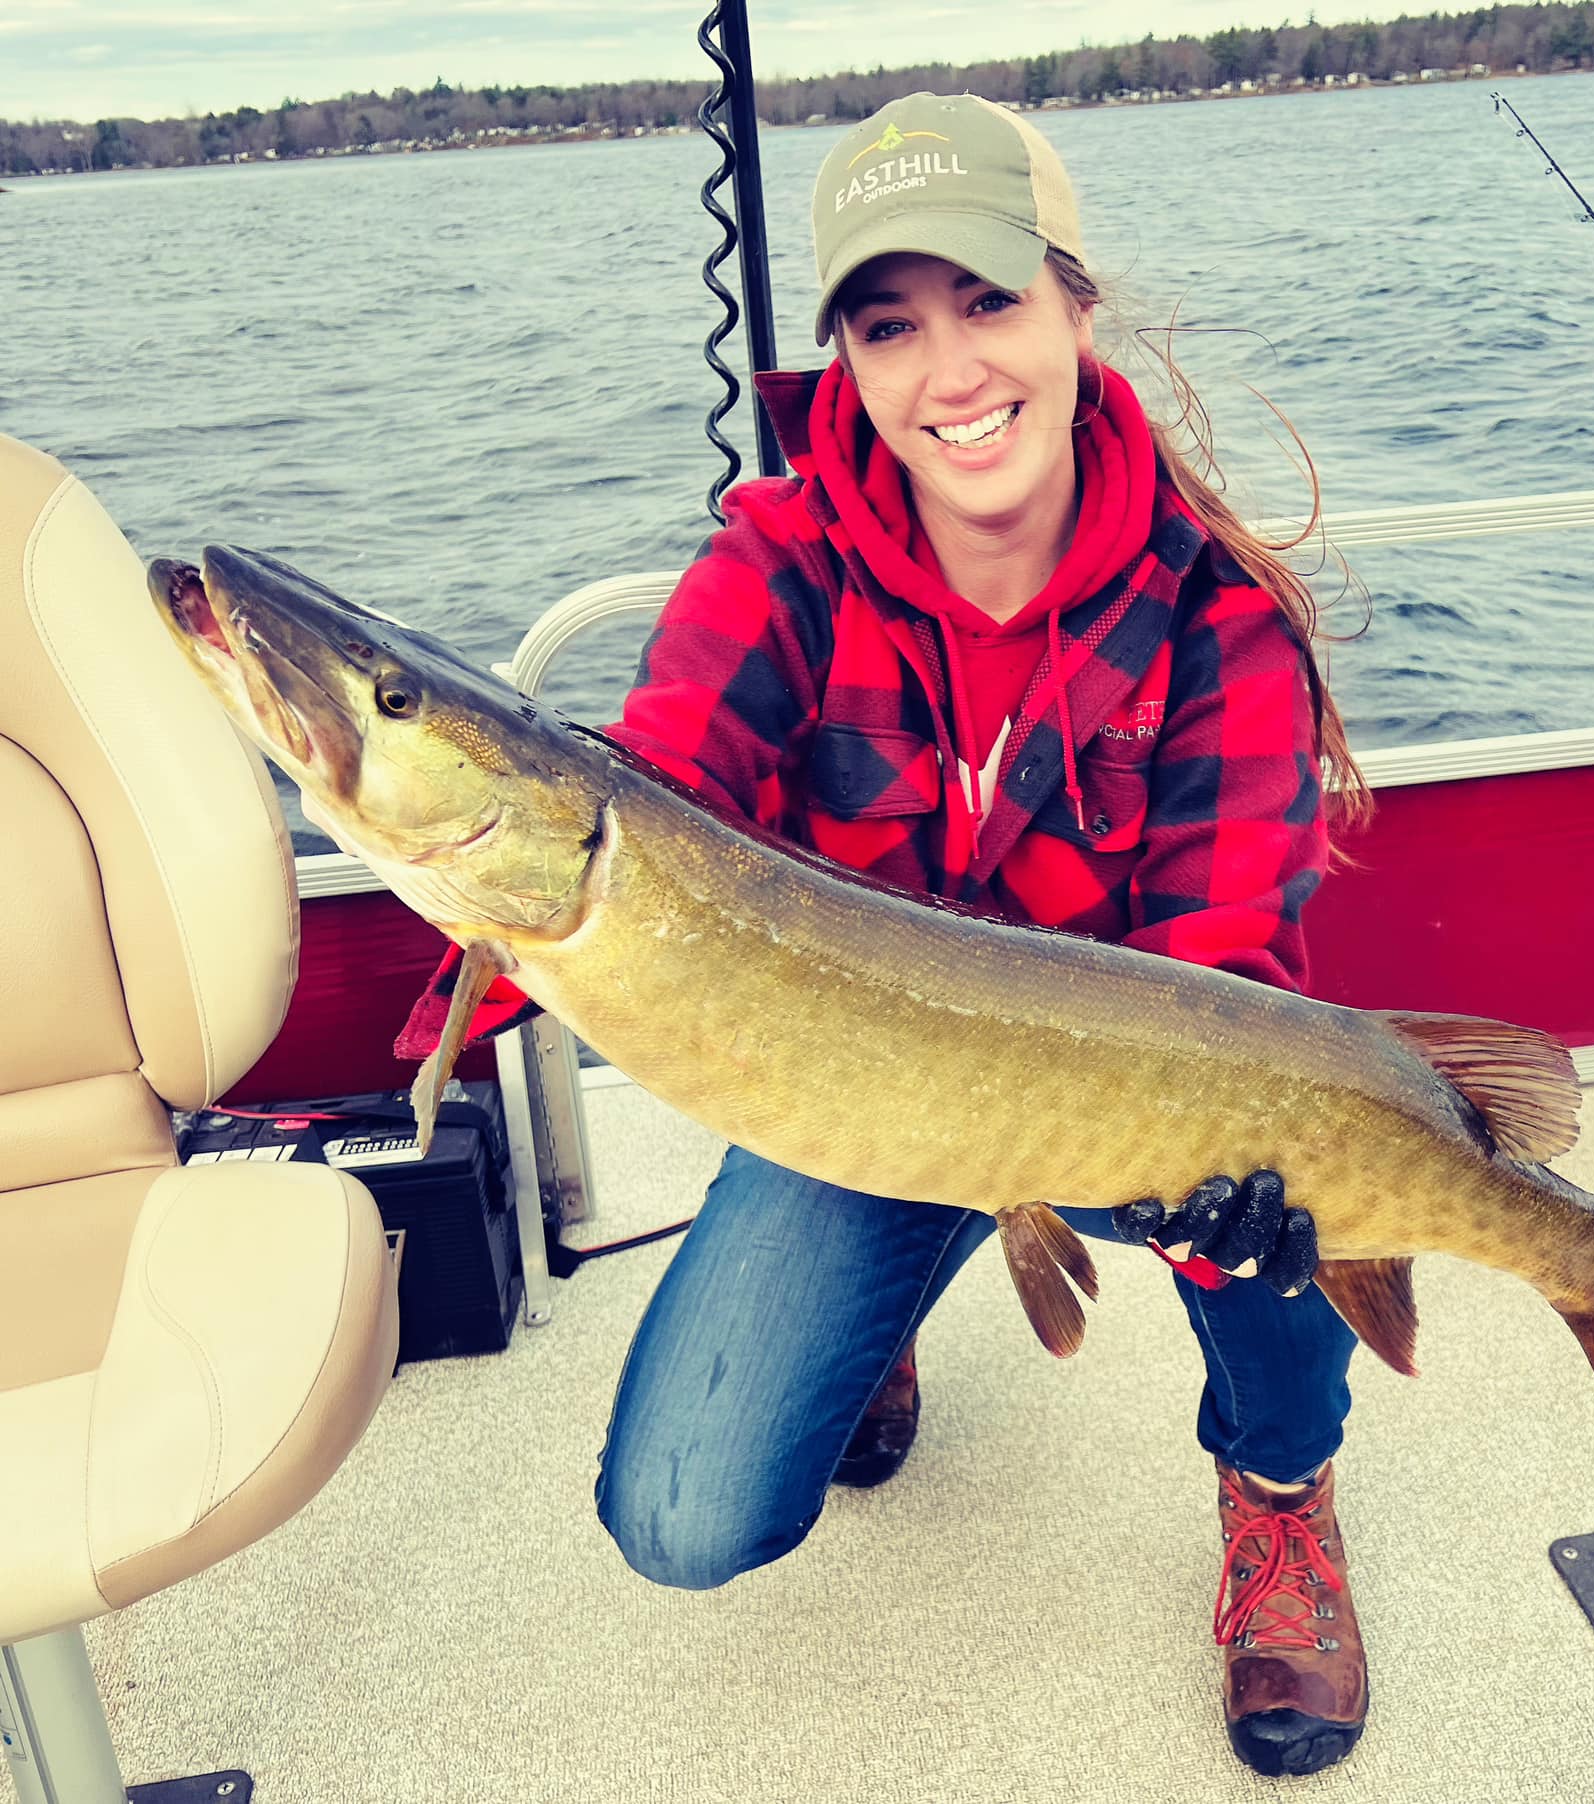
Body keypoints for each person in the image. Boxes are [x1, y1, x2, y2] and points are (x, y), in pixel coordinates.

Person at [421, 90, 1372, 1779]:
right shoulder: (780, 563)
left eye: (990, 302)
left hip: (1119, 1106)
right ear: (847, 363)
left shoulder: (1219, 619)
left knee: (1290, 1219)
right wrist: (484, 940)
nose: (950, 373)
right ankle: (889, 1308)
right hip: (870, 1094)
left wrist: (1223, 1196)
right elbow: (663, 779)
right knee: (679, 1514)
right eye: (890, 325)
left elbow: (1221, 968)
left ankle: (1280, 1497)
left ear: (1077, 309)